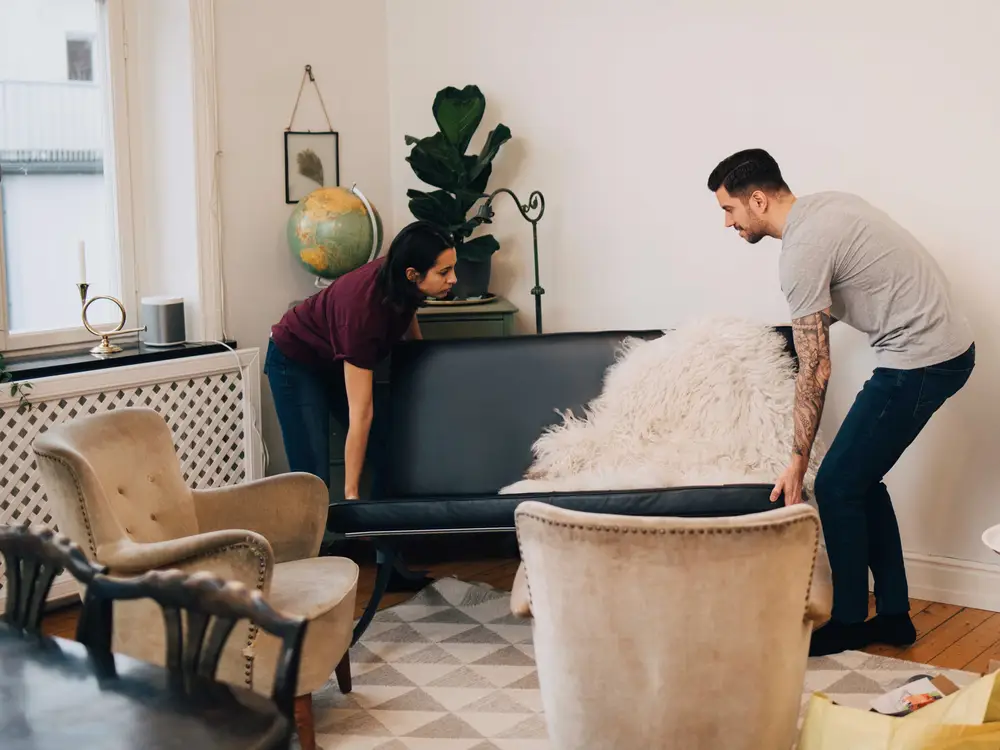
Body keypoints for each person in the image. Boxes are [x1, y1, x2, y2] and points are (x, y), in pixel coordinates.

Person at [706, 149, 975, 656]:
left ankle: (851, 621)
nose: (727, 222)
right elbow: (824, 315)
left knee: (834, 485)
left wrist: (796, 459)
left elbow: (816, 367)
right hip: (942, 351)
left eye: (729, 210)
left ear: (757, 200)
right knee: (859, 481)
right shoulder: (827, 207)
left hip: (922, 360)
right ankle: (894, 617)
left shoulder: (801, 251)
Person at [265, 220, 457, 501]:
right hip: (295, 362)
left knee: (390, 450)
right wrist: (352, 494)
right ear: (413, 274)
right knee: (313, 476)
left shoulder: (401, 278)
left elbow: (406, 308)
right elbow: (361, 414)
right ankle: (314, 545)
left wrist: (417, 350)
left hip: (334, 356)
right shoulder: (362, 315)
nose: (454, 279)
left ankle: (386, 540)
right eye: (444, 272)